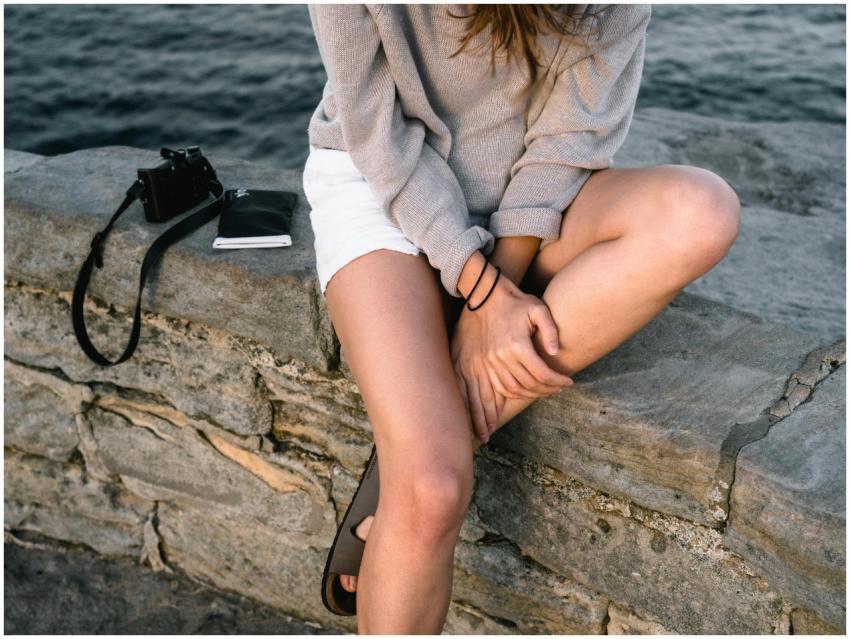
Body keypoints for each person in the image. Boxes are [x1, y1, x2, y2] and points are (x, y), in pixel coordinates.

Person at [304, 3, 740, 633]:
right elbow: (376, 133)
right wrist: (481, 290)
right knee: (431, 491)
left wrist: (494, 299)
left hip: (524, 195)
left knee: (700, 212)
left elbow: (568, 141)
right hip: (381, 185)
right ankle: (415, 473)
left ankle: (411, 456)